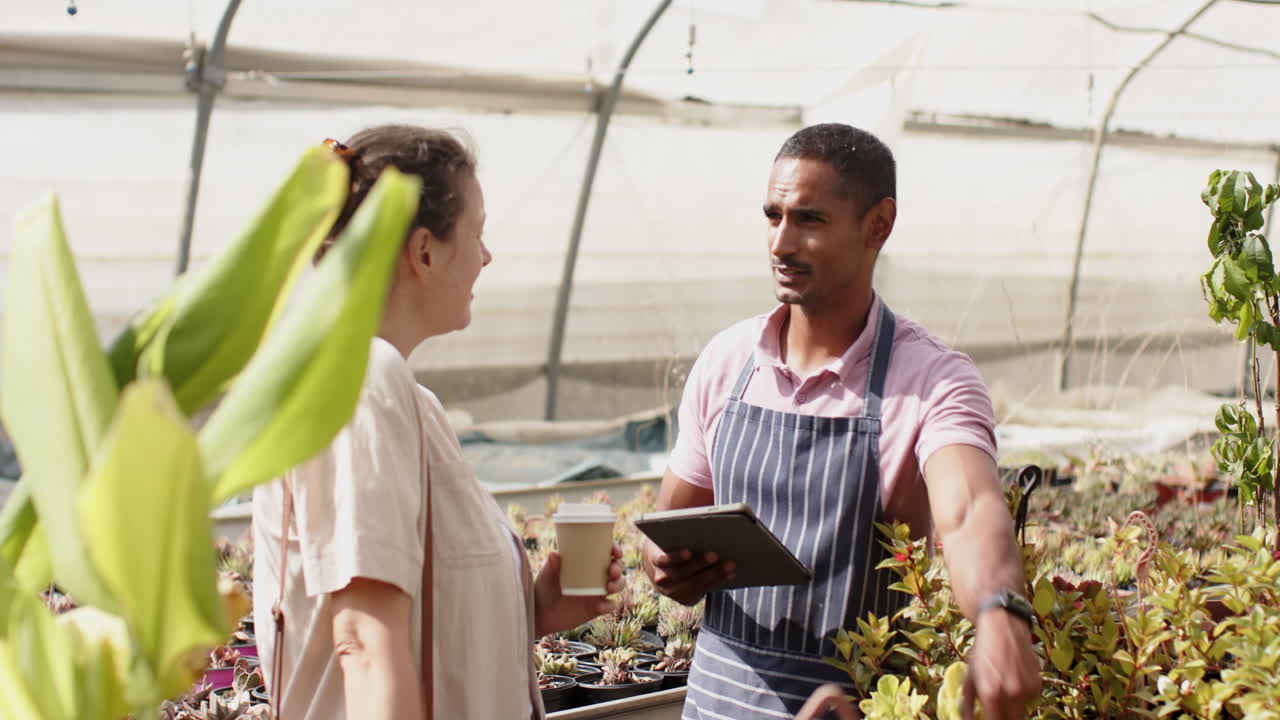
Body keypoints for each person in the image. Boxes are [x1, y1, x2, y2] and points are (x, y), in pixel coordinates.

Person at [643, 123, 1041, 719]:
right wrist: (668, 568)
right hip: (715, 700)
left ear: (878, 224)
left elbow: (969, 513)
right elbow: (670, 523)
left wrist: (999, 609)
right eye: (773, 216)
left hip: (846, 705)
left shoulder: (930, 380)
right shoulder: (728, 363)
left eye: (809, 220)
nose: (781, 243)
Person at [252, 124, 624, 720]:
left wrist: (536, 606)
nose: (486, 254)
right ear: (424, 252)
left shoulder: (401, 394)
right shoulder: (362, 381)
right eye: (476, 232)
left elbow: (419, 609)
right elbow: (364, 642)